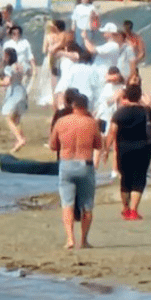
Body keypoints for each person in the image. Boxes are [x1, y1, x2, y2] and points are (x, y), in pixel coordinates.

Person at [49, 93, 103, 249]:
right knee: (87, 204)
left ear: (73, 106)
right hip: (85, 164)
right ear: (86, 107)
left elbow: (53, 145)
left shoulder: (61, 121)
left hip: (66, 164)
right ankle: (84, 240)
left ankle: (70, 239)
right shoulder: (91, 123)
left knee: (67, 204)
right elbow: (98, 145)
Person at [102, 83, 151, 220]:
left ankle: (125, 208)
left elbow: (112, 132)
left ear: (126, 96)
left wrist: (106, 150)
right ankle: (134, 211)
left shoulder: (119, 113)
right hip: (143, 148)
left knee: (125, 179)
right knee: (139, 178)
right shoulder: (148, 111)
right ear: (140, 96)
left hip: (124, 149)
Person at [0, 47, 29, 152]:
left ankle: (20, 139)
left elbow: (6, 82)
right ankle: (19, 141)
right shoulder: (20, 66)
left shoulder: (9, 68)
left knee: (8, 117)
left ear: (7, 56)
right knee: (16, 119)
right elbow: (28, 73)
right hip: (22, 91)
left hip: (14, 92)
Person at [95, 65, 125, 133]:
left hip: (114, 115)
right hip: (103, 115)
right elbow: (101, 102)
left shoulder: (123, 88)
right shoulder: (107, 86)